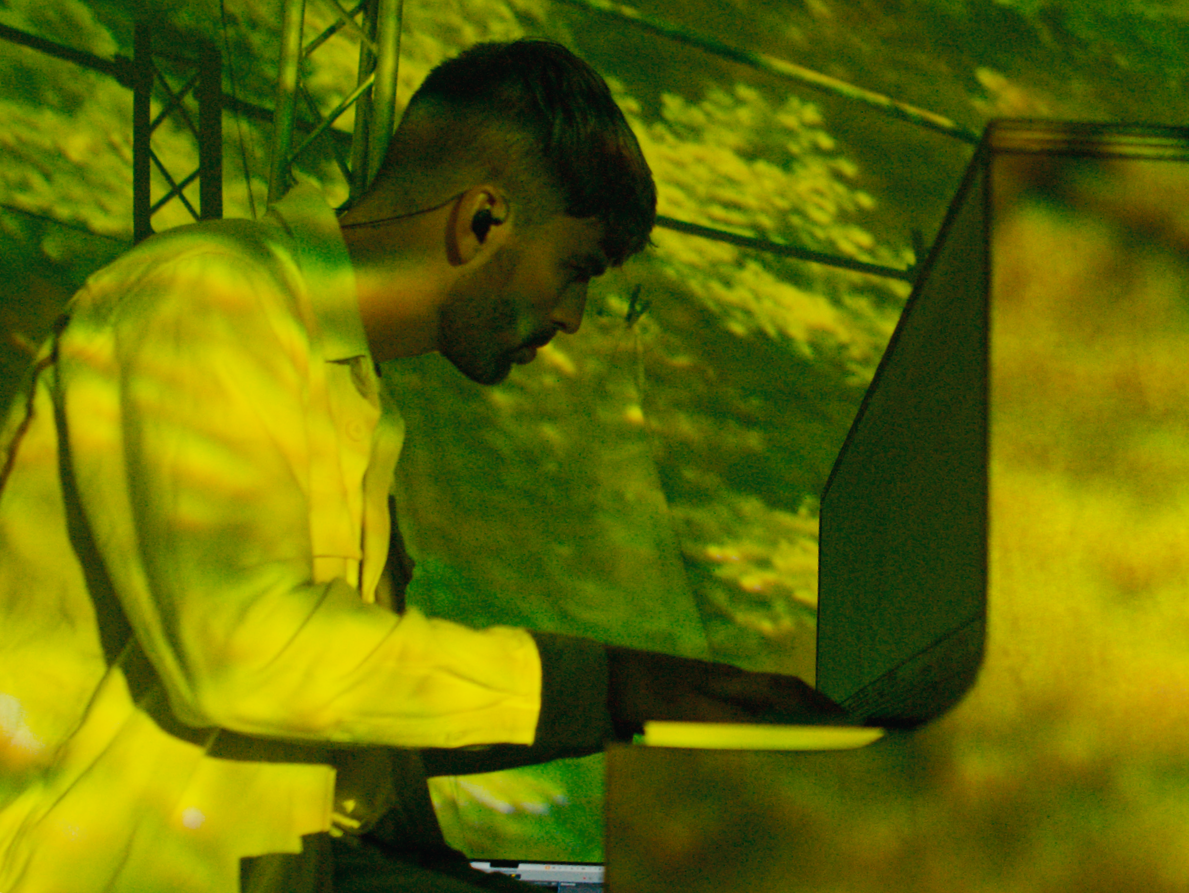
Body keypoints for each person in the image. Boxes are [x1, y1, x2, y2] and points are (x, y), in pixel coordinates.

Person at [0, 39, 841, 893]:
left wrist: (638, 701)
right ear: (481, 221)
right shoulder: (206, 297)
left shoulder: (349, 394)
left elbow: (347, 718)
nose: (574, 316)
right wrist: (608, 685)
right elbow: (243, 653)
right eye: (574, 269)